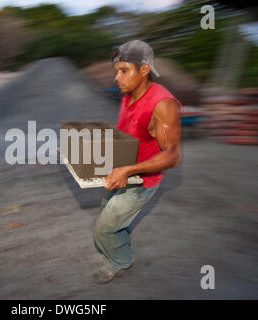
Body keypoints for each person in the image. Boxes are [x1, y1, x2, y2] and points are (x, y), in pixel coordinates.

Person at [92, 40, 182, 284]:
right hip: (122, 169)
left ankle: (120, 261)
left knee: (104, 227)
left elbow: (173, 155)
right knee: (109, 217)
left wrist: (129, 169)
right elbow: (128, 130)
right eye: (116, 71)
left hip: (142, 179)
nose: (117, 77)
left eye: (123, 70)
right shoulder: (128, 95)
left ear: (144, 70)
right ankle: (115, 248)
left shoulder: (163, 105)